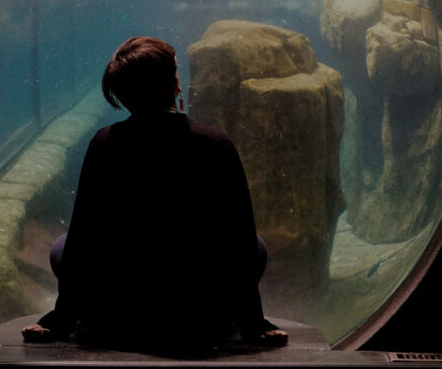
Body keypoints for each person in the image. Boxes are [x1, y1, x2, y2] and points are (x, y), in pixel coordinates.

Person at [21, 36, 288, 349]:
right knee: (255, 246)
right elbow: (239, 238)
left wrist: (60, 319)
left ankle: (81, 318)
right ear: (173, 84)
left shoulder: (105, 143)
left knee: (61, 247)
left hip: (117, 314)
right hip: (203, 314)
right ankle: (243, 323)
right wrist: (254, 323)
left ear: (121, 92)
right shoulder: (216, 143)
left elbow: (84, 238)